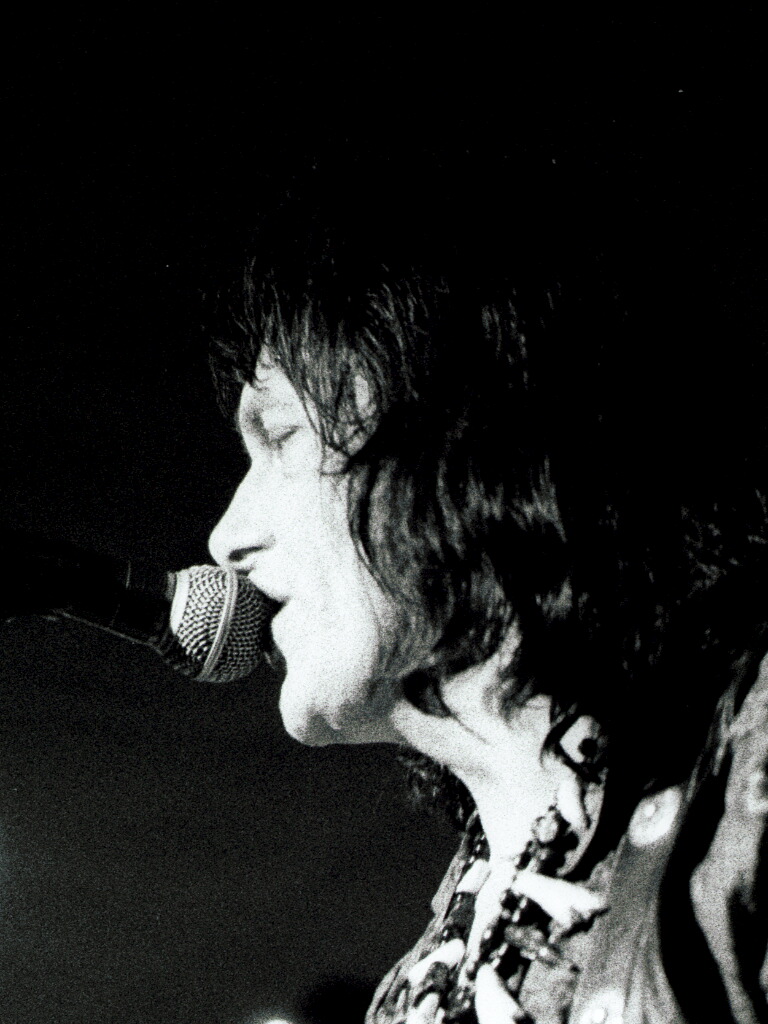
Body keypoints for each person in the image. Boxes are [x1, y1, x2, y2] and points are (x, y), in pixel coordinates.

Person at [206, 171, 768, 1023]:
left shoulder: (750, 774)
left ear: (458, 426)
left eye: (281, 435)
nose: (226, 537)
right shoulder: (414, 991)